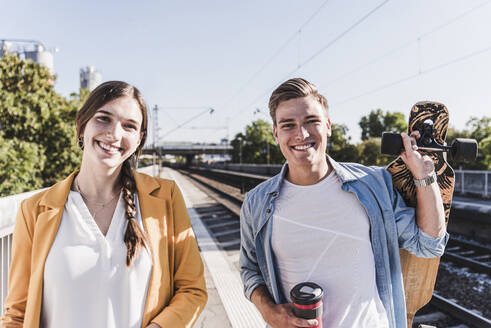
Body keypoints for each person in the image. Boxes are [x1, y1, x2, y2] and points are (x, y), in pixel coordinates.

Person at [239, 78, 447, 328]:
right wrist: (269, 312)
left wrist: (425, 175)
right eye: (288, 125)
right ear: (276, 133)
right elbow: (250, 270)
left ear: (328, 126)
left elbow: (429, 245)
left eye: (311, 121)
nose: (301, 134)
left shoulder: (372, 185)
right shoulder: (257, 202)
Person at [2, 81, 207, 328]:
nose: (115, 134)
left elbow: (192, 290)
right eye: (104, 119)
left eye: (129, 126)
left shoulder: (165, 198)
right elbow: (17, 314)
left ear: (139, 139)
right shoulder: (34, 210)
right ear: (81, 124)